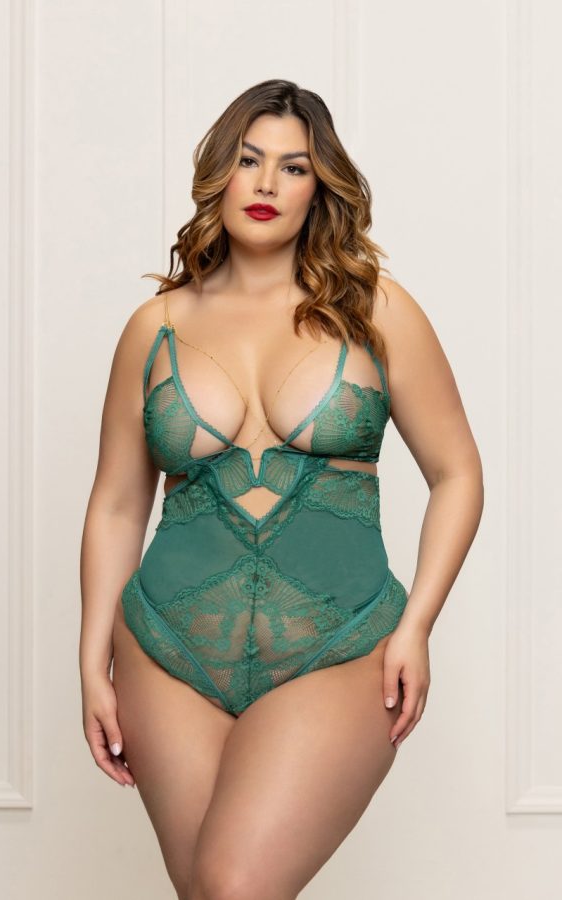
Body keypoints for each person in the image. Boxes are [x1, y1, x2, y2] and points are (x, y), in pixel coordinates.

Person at [79, 79, 484, 900]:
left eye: (293, 167)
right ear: (217, 173)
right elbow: (117, 504)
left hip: (341, 644)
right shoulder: (154, 327)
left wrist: (417, 626)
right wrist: (92, 660)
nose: (266, 183)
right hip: (167, 647)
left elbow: (458, 474)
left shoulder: (376, 311)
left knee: (235, 884)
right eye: (248, 160)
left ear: (318, 186)